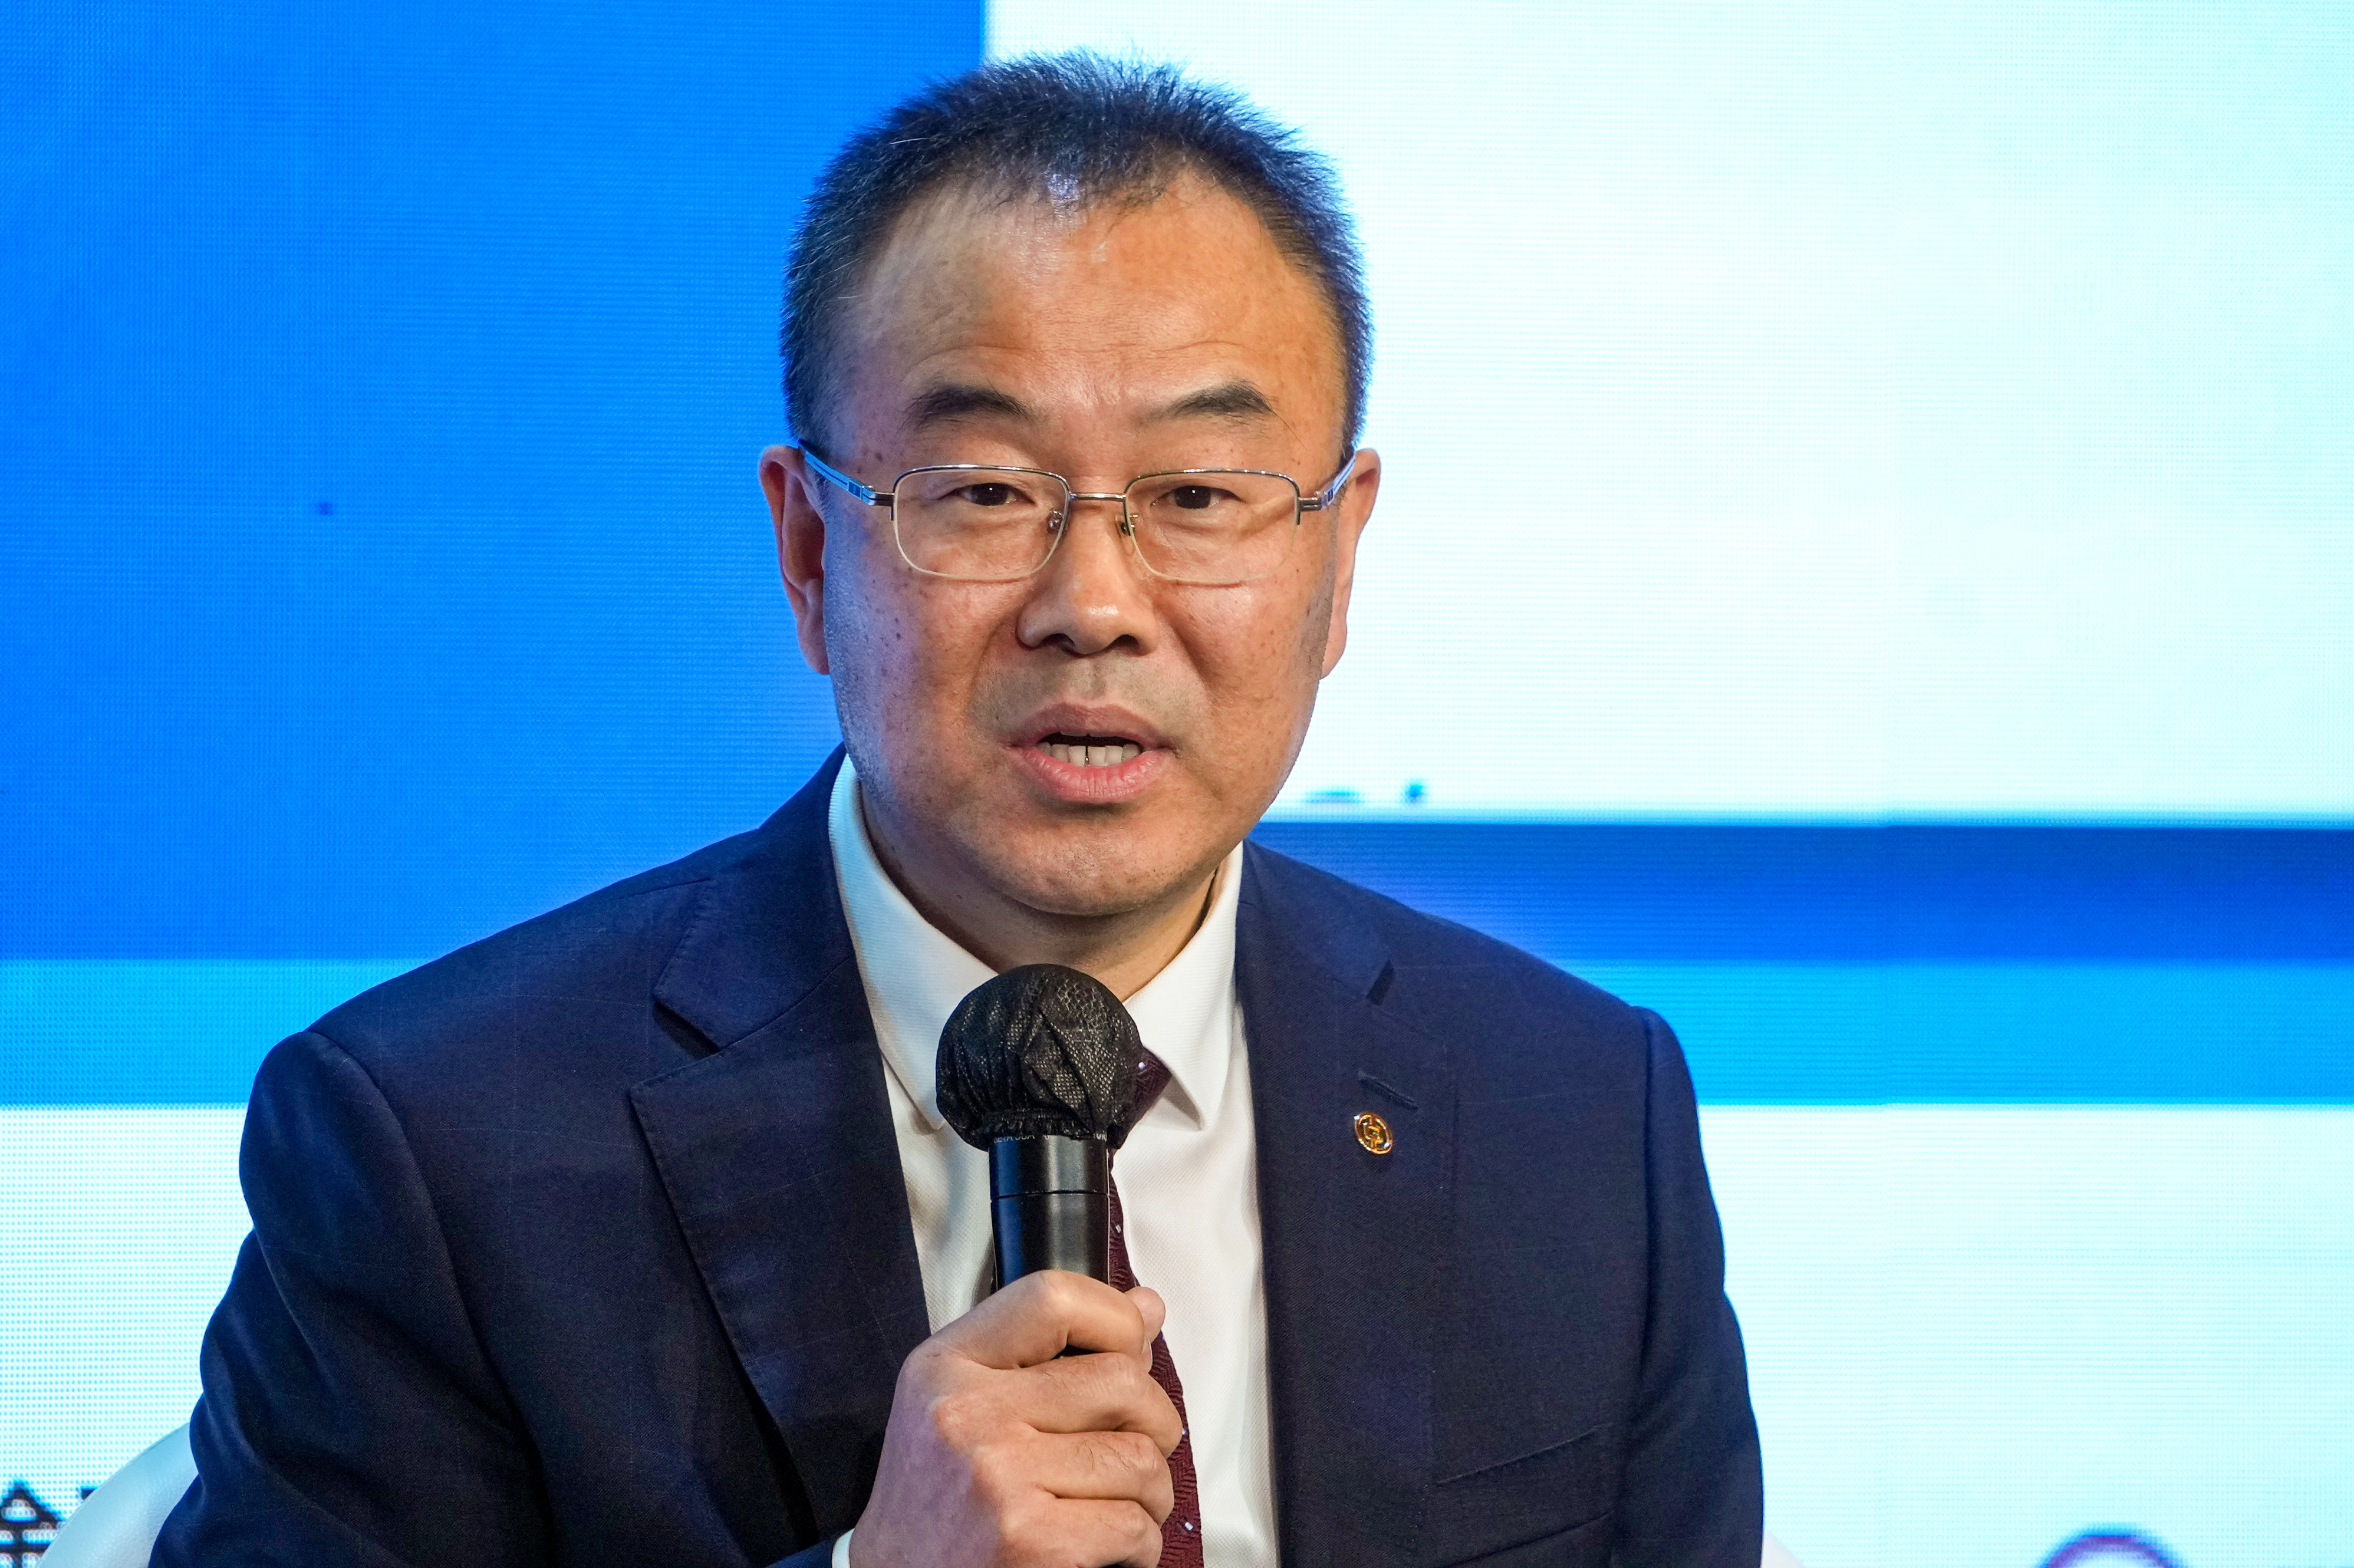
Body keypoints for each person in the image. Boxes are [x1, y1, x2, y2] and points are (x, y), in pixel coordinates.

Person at [154, 53, 1760, 1568]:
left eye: (1200, 496)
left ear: (1340, 560)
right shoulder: (434, 1150)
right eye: (986, 492)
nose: (1095, 604)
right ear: (808, 553)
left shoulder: (1575, 1119)